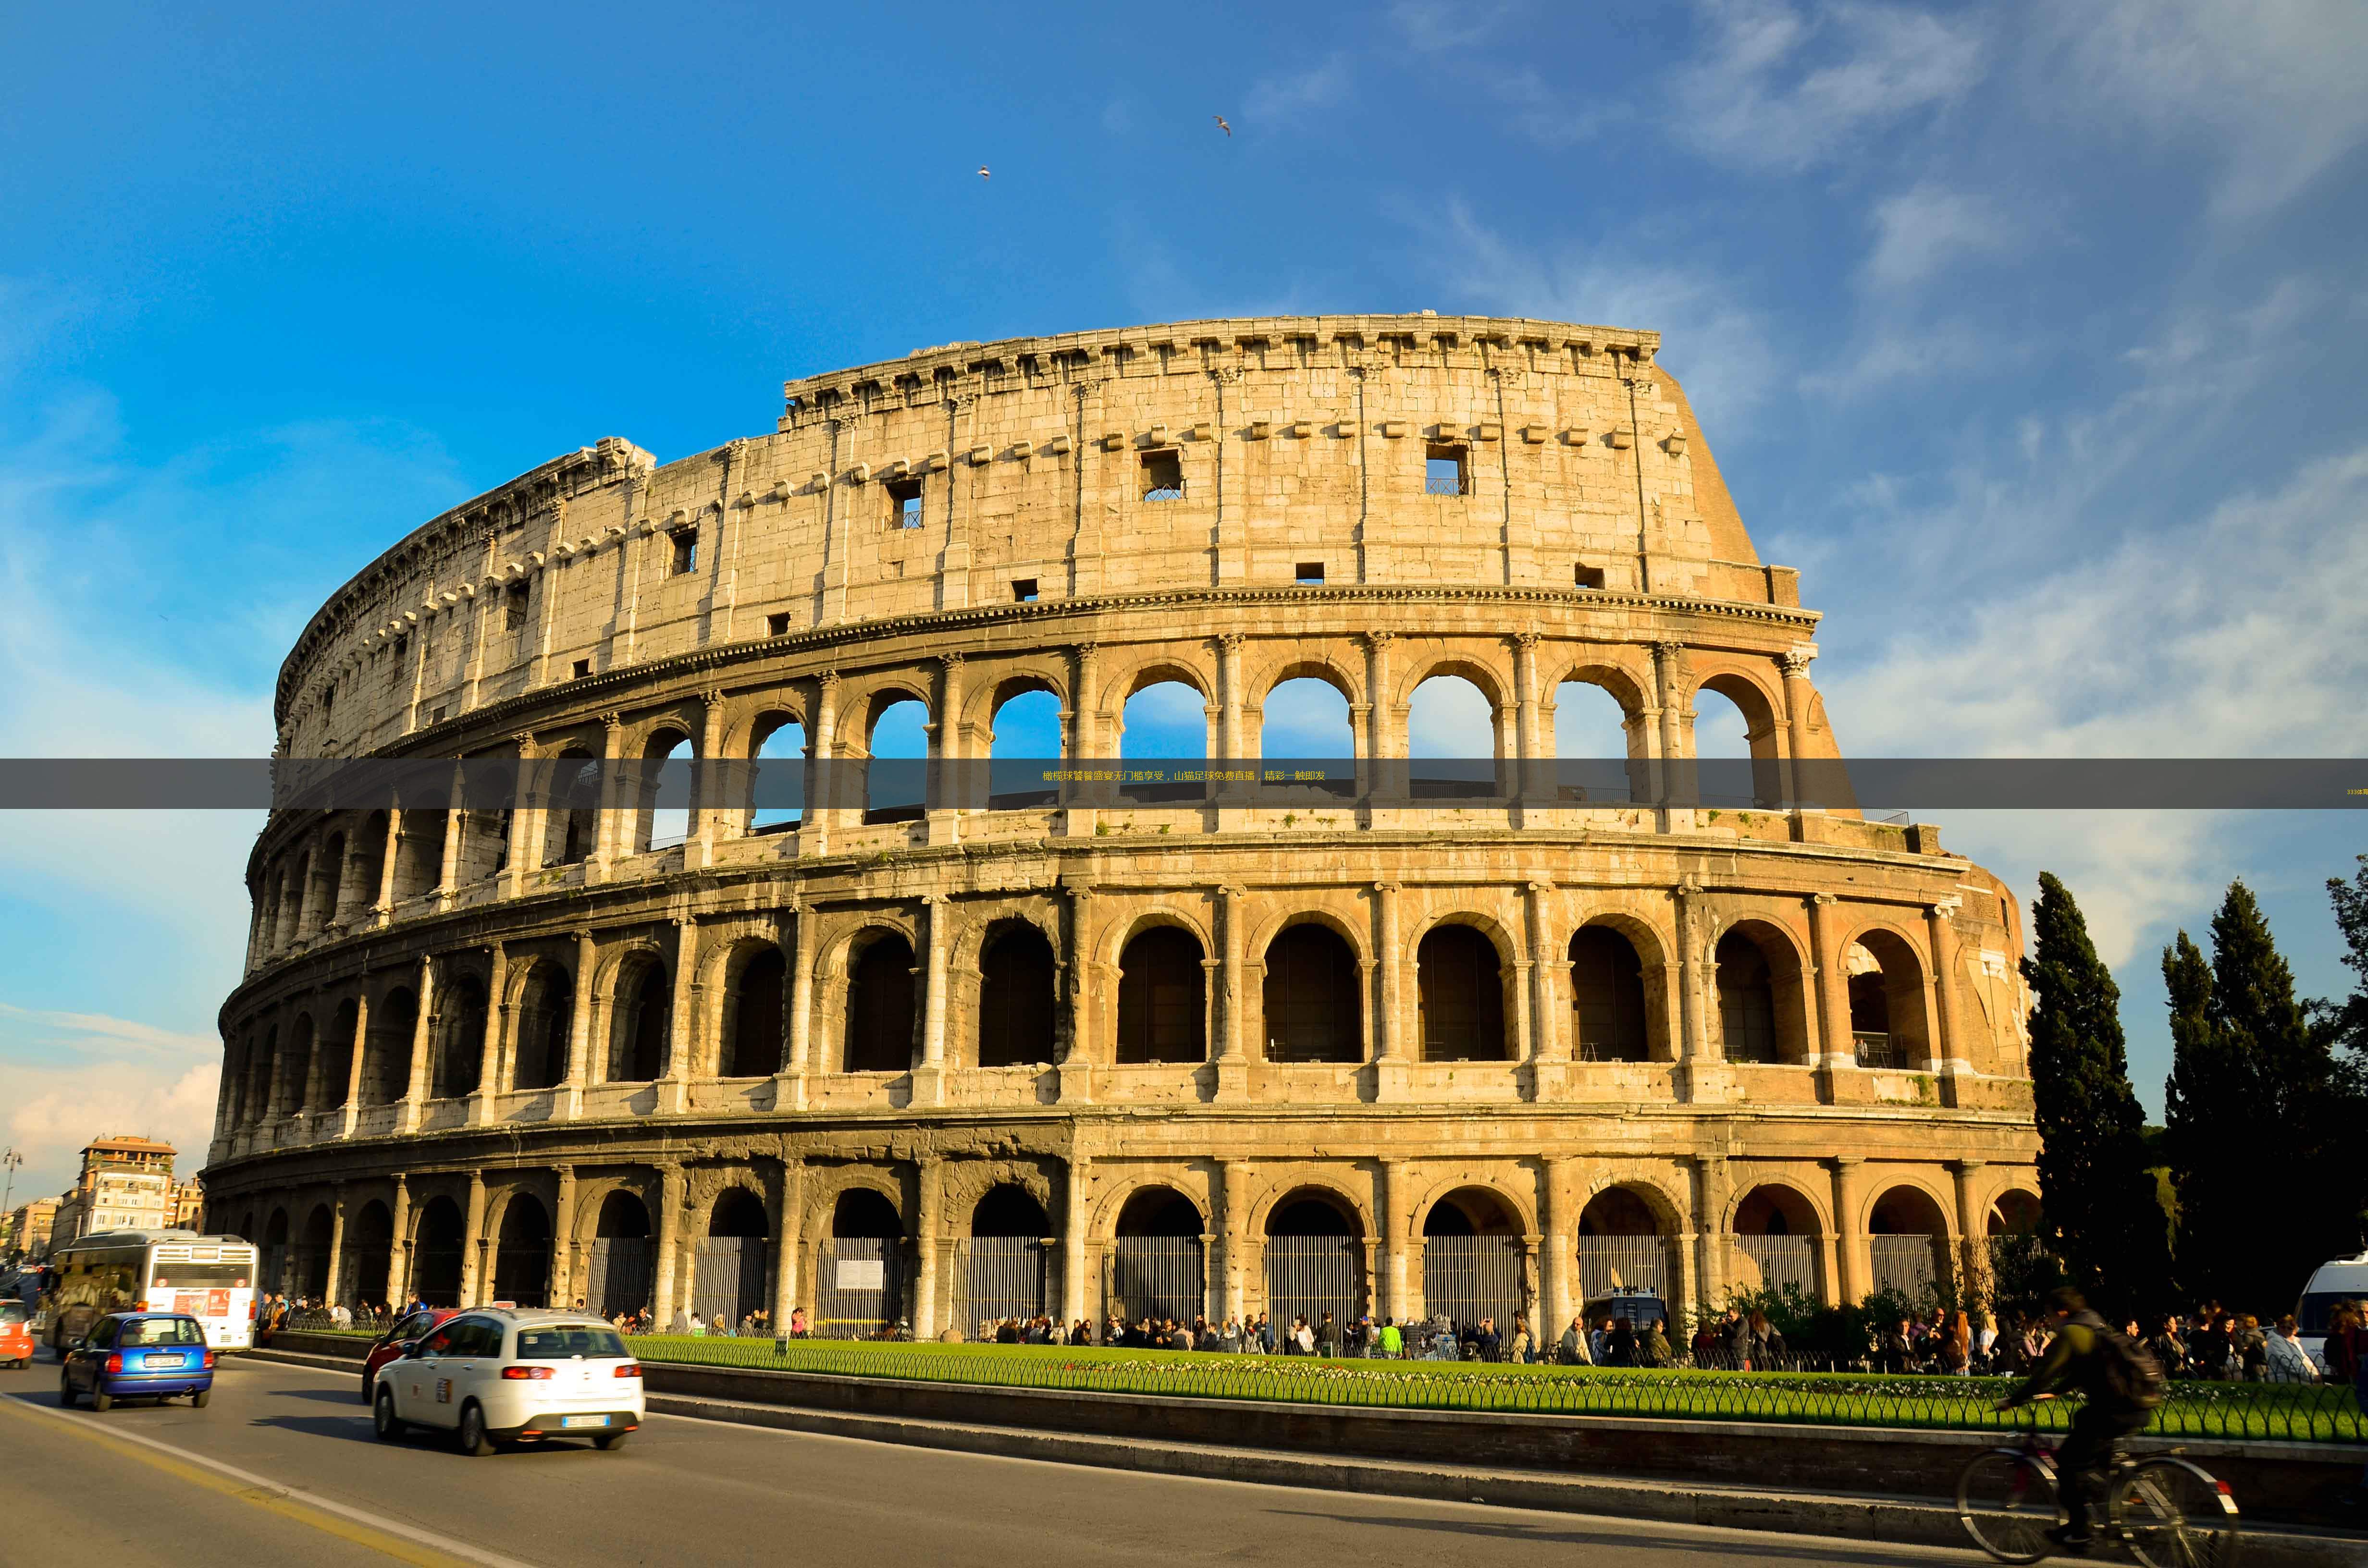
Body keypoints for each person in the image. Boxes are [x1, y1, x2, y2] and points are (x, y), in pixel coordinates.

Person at [1998, 1285, 2166, 1553]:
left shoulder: (2071, 1332)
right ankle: (2125, 1494)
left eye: (2050, 1315)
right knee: (2089, 1433)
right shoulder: (2096, 1325)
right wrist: (2057, 1391)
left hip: (2113, 1411)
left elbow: (2045, 1374)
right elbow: (2084, 1372)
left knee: (2067, 1463)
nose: (2049, 1321)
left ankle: (2081, 1530)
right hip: (2138, 1405)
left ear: (2062, 1312)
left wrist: (2013, 1400)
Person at [2265, 1315, 2317, 1383]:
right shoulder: (2275, 1341)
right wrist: (2312, 1377)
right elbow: (2289, 1364)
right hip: (2284, 1378)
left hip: (2297, 1376)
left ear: (2294, 1330)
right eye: (2283, 1327)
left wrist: (2315, 1373)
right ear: (2278, 1327)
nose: (2286, 1330)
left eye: (2290, 1328)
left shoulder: (2294, 1341)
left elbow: (2304, 1359)